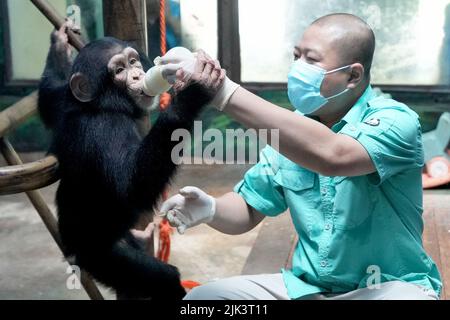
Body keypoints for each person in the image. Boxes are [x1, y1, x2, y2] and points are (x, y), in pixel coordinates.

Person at [159, 13, 442, 300]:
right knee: (203, 300)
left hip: (386, 288)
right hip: (308, 290)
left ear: (353, 75)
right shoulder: (292, 135)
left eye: (311, 59)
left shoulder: (395, 121)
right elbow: (248, 208)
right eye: (296, 56)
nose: (297, 68)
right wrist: (211, 209)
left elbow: (334, 155)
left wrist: (222, 90)